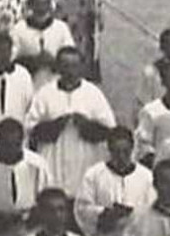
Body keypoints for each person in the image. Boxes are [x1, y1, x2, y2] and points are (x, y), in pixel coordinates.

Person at [23, 46, 116, 199]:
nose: (70, 71)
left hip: (84, 167)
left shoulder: (93, 94)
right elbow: (30, 131)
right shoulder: (45, 93)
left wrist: (86, 125)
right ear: (58, 67)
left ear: (81, 67)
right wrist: (56, 125)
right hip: (53, 168)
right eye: (65, 66)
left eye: (74, 66)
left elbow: (109, 132)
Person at [74, 127, 157, 236]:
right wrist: (103, 214)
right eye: (116, 151)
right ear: (109, 149)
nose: (121, 157)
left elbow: (153, 209)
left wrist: (132, 214)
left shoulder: (146, 177)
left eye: (125, 151)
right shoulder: (94, 175)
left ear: (132, 149)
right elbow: (81, 208)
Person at [48, 0, 100, 79]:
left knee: (82, 56)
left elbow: (92, 2)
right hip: (62, 27)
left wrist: (95, 13)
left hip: (81, 29)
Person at [12, 0, 75, 84]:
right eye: (37, 4)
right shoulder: (19, 29)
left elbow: (71, 59)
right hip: (28, 84)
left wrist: (53, 61)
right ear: (29, 5)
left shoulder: (61, 28)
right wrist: (33, 61)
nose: (41, 9)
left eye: (45, 4)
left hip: (55, 85)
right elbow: (11, 61)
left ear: (50, 6)